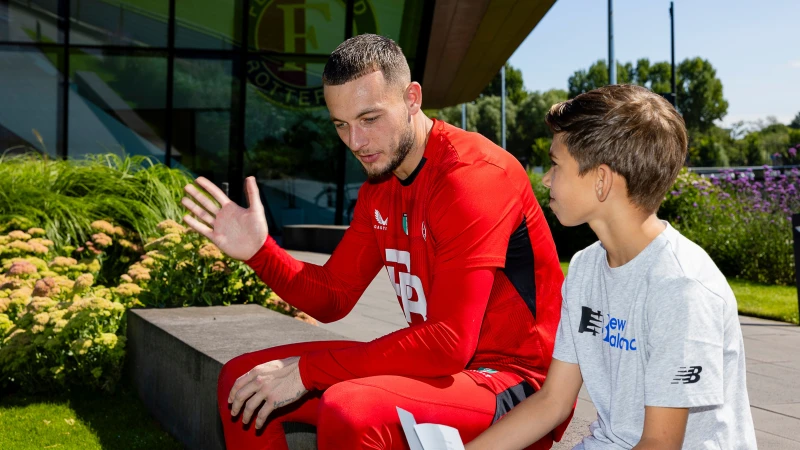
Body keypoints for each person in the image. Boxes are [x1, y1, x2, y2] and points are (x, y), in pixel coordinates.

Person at [181, 34, 569, 449]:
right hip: (438, 373)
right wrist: (261, 253)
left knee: (351, 410)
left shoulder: (471, 177)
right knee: (242, 384)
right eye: (341, 125)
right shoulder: (380, 186)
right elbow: (334, 296)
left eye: (369, 119)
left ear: (412, 98)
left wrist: (308, 371)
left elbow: (448, 342)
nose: (356, 142)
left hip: (514, 384)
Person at [466, 84, 758, 450]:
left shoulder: (681, 288)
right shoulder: (587, 268)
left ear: (601, 180)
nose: (545, 178)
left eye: (556, 165)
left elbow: (659, 444)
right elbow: (552, 402)